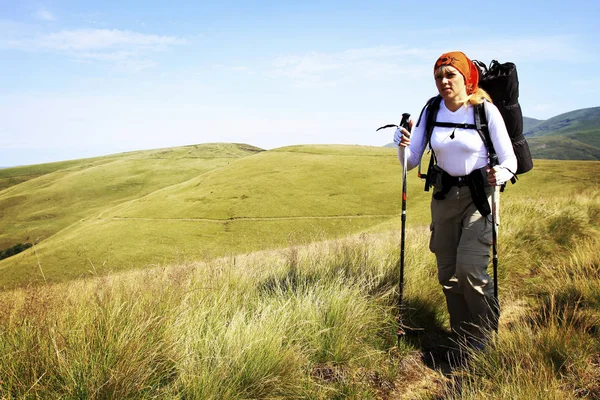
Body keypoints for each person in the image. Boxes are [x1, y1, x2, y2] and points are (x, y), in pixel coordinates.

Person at [394, 51, 517, 350]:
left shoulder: (485, 111)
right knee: (448, 274)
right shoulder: (431, 110)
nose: (444, 81)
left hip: (479, 198)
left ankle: (485, 340)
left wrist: (500, 173)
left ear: (466, 78)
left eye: (451, 75)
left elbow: (509, 160)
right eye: (439, 76)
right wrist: (402, 144)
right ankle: (462, 336)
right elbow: (409, 162)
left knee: (470, 272)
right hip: (444, 197)